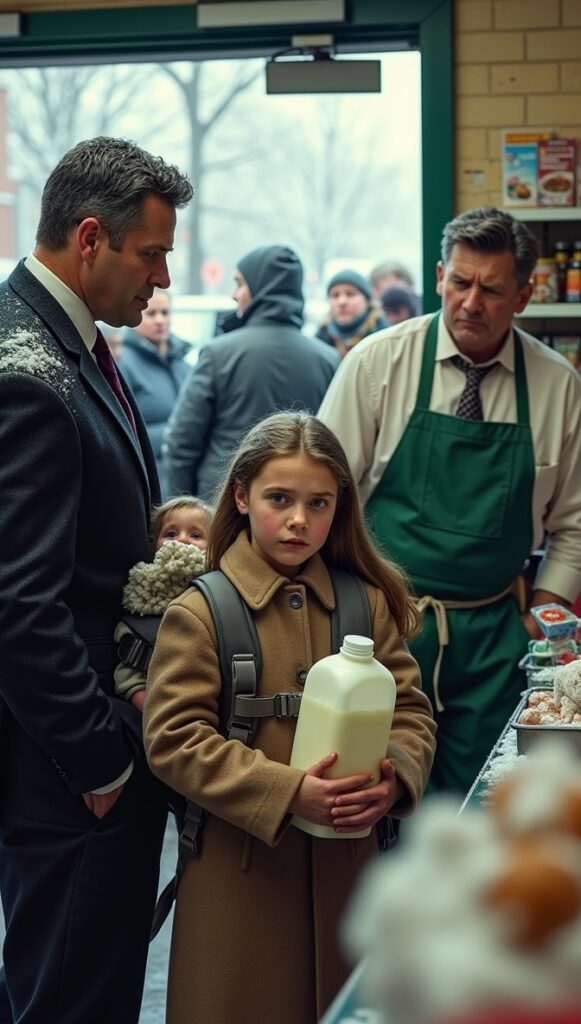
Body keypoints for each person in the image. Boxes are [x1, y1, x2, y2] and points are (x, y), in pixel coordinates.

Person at [143, 410, 436, 1024]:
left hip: (351, 874)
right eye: (280, 498)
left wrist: (395, 777)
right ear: (242, 496)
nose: (300, 520)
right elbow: (173, 739)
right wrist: (286, 791)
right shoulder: (202, 611)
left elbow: (410, 711)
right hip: (237, 883)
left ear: (341, 509)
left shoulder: (368, 604)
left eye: (320, 503)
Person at [0, 135, 193, 1024]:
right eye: (149, 254)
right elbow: (18, 602)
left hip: (83, 744)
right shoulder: (30, 373)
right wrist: (100, 760)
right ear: (89, 239)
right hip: (68, 766)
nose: (159, 279)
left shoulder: (60, 340)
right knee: (73, 993)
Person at [319, 206, 581, 795]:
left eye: (491, 289)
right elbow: (322, 498)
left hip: (494, 640)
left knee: (484, 803)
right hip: (380, 628)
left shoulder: (558, 385)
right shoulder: (377, 363)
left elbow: (576, 525)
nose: (470, 302)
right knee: (371, 798)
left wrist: (540, 613)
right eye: (459, 282)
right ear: (439, 276)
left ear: (524, 294)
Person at [164, 244, 339, 502]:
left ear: (261, 289)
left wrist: (185, 511)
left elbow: (182, 443)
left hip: (224, 504)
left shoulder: (218, 354)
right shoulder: (328, 359)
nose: (234, 295)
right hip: (299, 510)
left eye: (240, 284)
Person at [114, 495, 213, 712]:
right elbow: (128, 675)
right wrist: (152, 709)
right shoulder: (139, 609)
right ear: (153, 545)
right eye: (171, 533)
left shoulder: (217, 596)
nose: (182, 540)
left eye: (196, 535)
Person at [118, 289, 191, 496]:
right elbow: (123, 433)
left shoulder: (183, 365)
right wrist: (173, 435)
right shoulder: (123, 364)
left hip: (184, 484)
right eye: (151, 314)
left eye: (165, 313)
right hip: (149, 482)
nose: (160, 320)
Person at [316, 268, 387, 358]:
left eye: (350, 294)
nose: (342, 301)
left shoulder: (383, 338)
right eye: (335, 295)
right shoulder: (321, 337)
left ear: (367, 300)